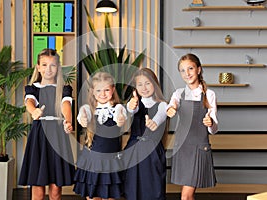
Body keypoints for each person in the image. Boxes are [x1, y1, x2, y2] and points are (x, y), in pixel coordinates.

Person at [18, 48, 75, 200]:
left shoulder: (64, 89)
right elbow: (29, 102)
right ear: (38, 67)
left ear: (58, 68)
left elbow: (66, 106)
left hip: (58, 136)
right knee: (38, 190)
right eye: (44, 65)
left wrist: (68, 121)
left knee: (56, 190)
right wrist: (33, 111)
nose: (48, 69)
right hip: (39, 138)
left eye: (53, 65)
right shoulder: (33, 89)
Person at [166, 53, 218, 200]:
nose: (187, 73)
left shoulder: (209, 94)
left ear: (198, 69)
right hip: (182, 147)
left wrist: (211, 123)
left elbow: (214, 129)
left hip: (198, 147)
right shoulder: (178, 94)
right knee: (188, 194)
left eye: (190, 68)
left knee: (186, 195)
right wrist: (171, 109)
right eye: (182, 70)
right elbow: (171, 107)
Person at [73, 71, 127, 200]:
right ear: (92, 91)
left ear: (113, 89)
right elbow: (81, 116)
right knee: (93, 196)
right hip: (92, 161)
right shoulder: (87, 108)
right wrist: (83, 119)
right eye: (98, 90)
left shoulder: (118, 108)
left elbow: (122, 116)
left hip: (111, 161)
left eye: (106, 90)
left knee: (110, 196)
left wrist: (120, 119)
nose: (103, 94)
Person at [123, 67, 168, 200]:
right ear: (135, 87)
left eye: (148, 83)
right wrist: (130, 106)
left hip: (153, 151)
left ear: (155, 84)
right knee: (132, 188)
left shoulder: (163, 105)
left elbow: (161, 116)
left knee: (154, 189)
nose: (144, 87)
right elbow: (130, 110)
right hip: (133, 151)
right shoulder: (134, 104)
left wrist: (153, 123)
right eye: (140, 84)